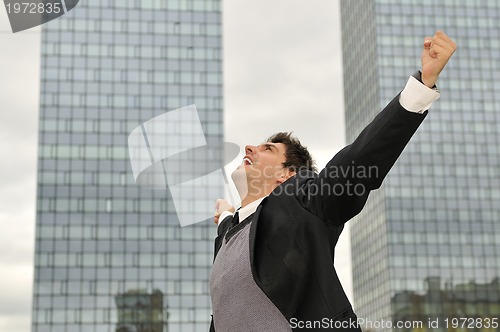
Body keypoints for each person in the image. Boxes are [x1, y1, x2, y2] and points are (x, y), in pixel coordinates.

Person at [209, 31, 456, 331]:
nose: (249, 148)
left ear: (286, 176)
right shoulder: (227, 238)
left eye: (267, 149)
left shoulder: (302, 202)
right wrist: (226, 215)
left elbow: (357, 163)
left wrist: (419, 89)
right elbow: (236, 229)